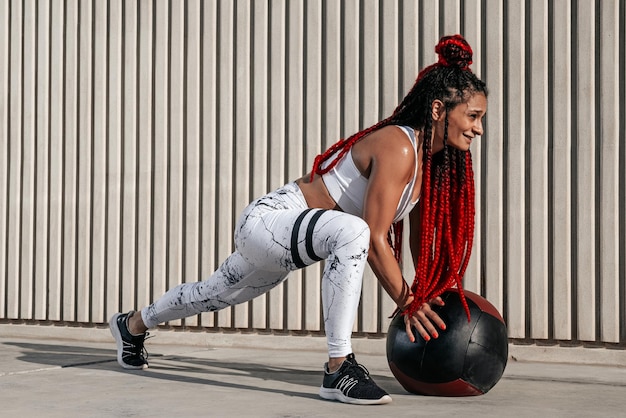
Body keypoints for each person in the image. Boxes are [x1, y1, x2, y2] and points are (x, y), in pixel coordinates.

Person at [110, 34, 488, 405]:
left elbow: (418, 239)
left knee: (212, 294)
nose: (478, 128)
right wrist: (408, 302)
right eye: (472, 116)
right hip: (270, 221)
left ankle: (131, 325)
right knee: (354, 231)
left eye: (481, 118)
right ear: (438, 110)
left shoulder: (429, 167)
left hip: (293, 239)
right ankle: (339, 367)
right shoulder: (399, 144)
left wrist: (425, 293)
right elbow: (374, 237)